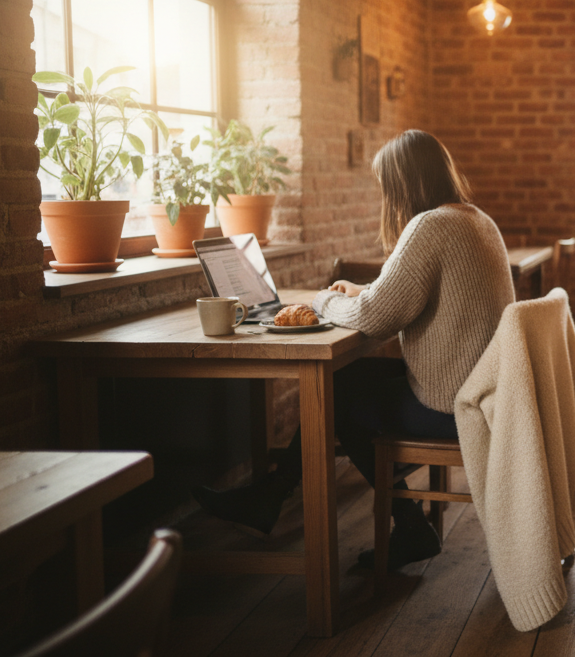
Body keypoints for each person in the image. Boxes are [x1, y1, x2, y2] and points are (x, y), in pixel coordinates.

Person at [194, 130, 515, 569]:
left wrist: (321, 299)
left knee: (337, 399)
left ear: (403, 184)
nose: (386, 195)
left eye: (387, 185)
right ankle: (276, 497)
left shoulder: (430, 225)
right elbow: (408, 297)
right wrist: (363, 292)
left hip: (456, 405)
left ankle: (400, 524)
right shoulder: (473, 217)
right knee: (341, 383)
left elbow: (373, 319)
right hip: (487, 392)